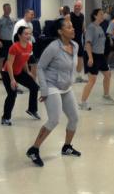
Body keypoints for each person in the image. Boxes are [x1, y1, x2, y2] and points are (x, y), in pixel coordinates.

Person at [26, 19, 81, 167]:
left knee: (74, 117)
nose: (73, 29)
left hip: (66, 86)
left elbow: (71, 67)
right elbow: (41, 67)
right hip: (51, 85)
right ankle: (34, 149)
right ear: (60, 31)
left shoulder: (75, 45)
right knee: (54, 119)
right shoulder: (53, 47)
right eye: (69, 27)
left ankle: (67, 147)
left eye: (72, 26)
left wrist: (73, 79)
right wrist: (44, 89)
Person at [0, 26, 40, 125]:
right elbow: (9, 64)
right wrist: (12, 80)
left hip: (19, 72)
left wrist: (27, 72)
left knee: (34, 87)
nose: (28, 36)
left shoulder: (29, 46)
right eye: (26, 34)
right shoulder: (14, 47)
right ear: (19, 35)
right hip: (7, 73)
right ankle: (5, 118)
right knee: (12, 94)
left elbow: (25, 59)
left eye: (29, 33)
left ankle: (32, 109)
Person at [79, 9, 114, 110]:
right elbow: (88, 43)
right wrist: (90, 57)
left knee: (108, 74)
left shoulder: (99, 27)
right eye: (100, 14)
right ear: (95, 16)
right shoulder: (91, 28)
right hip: (92, 55)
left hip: (100, 56)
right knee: (92, 80)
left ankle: (106, 96)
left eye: (103, 14)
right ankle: (83, 102)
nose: (103, 15)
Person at [13, 9, 38, 79]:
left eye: (33, 15)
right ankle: (15, 85)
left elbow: (30, 37)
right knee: (20, 69)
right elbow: (15, 38)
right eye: (31, 14)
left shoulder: (30, 24)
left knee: (34, 65)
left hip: (29, 50)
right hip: (21, 51)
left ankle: (33, 83)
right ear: (26, 14)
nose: (33, 16)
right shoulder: (19, 24)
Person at [0, 3, 15, 81]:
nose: (8, 10)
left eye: (9, 8)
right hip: (2, 41)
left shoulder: (12, 19)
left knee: (9, 58)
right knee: (1, 58)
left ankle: (7, 72)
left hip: (10, 41)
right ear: (3, 9)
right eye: (7, 8)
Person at [71, 0, 87, 83]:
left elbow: (83, 26)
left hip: (78, 40)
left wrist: (85, 31)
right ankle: (70, 77)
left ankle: (79, 76)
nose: (77, 7)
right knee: (70, 58)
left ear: (81, 7)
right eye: (76, 5)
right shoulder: (69, 15)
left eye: (79, 6)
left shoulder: (82, 16)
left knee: (80, 57)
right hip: (70, 40)